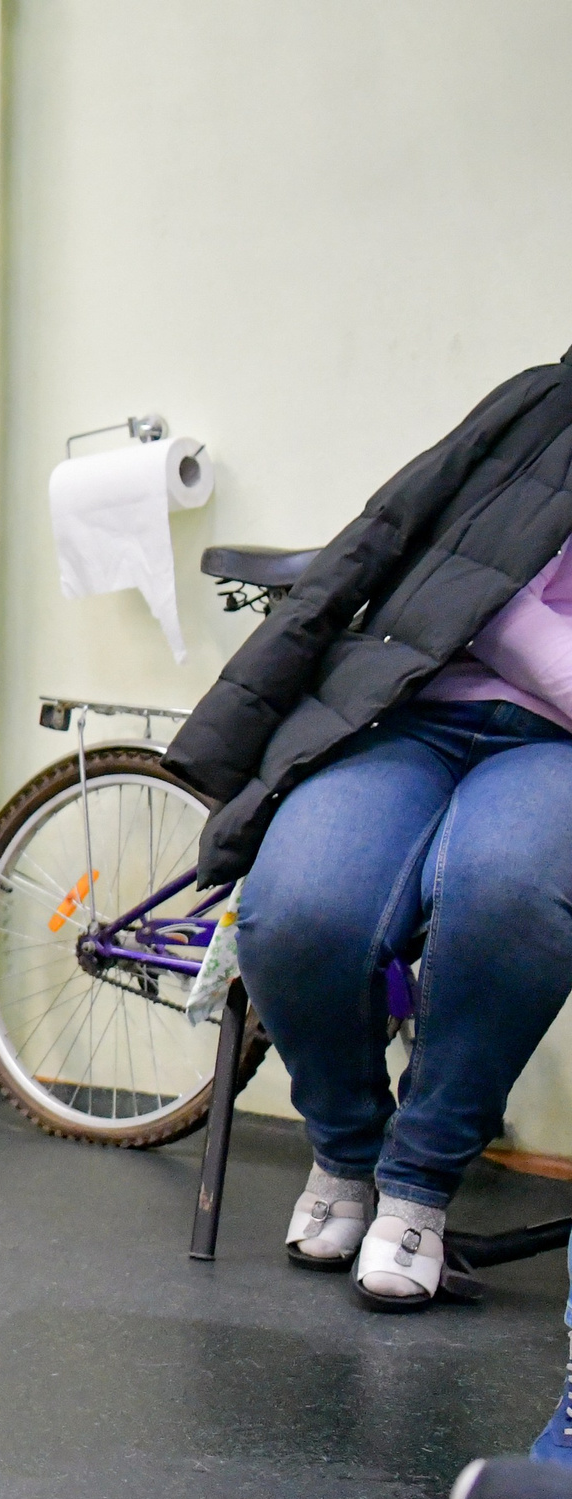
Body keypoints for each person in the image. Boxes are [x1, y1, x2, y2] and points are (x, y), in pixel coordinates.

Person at [164, 347, 572, 1333]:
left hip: (553, 749)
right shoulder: (544, 402)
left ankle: (420, 1182)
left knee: (509, 895)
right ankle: (347, 1149)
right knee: (295, 909)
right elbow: (438, 564)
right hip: (410, 709)